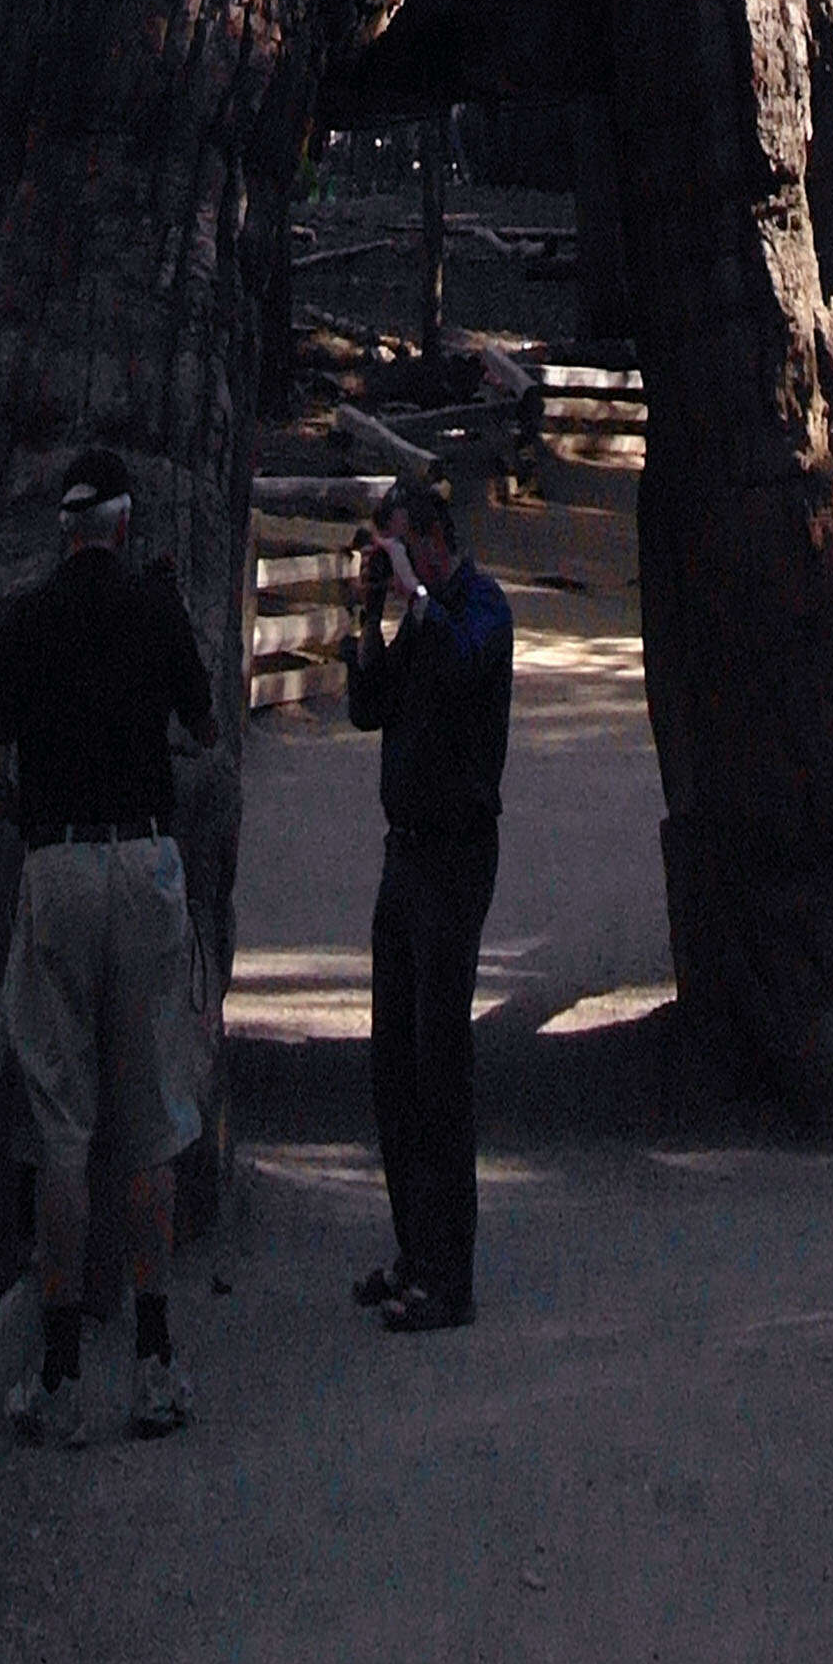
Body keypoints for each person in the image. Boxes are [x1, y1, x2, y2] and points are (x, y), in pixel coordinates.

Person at [0, 436, 216, 1449]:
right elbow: (202, 731)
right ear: (123, 525)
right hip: (145, 861)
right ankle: (155, 1361)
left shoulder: (24, 619)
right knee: (152, 1116)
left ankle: (62, 1372)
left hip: (60, 863)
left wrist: (39, 822)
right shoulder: (155, 607)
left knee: (63, 1125)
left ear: (64, 529)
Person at [344, 468, 514, 1331]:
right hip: (401, 857)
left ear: (434, 540)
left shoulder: (481, 607)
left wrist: (416, 601)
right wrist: (366, 619)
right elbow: (366, 709)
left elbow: (461, 670)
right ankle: (414, 1251)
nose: (394, 561)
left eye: (401, 545)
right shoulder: (415, 618)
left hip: (454, 858)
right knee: (391, 1067)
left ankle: (452, 1278)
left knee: (439, 1064)